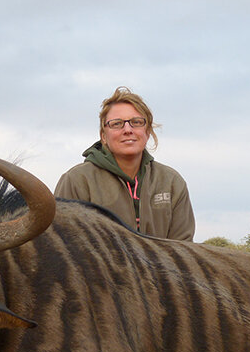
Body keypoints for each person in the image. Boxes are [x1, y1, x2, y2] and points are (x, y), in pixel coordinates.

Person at [55, 86, 195, 240]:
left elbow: (183, 247)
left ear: (147, 132)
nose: (128, 130)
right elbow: (63, 243)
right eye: (116, 124)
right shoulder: (77, 180)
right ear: (103, 136)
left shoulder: (171, 182)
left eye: (136, 122)